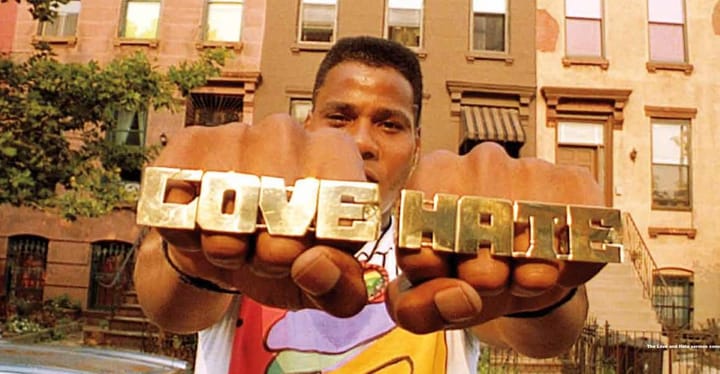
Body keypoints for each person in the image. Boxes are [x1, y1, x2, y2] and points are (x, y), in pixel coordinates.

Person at [134, 36, 605, 373]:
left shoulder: (448, 240)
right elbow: (169, 305)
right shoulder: (252, 212)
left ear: (417, 145)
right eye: (340, 118)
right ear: (308, 124)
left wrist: (542, 295)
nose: (361, 142)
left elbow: (542, 337)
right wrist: (193, 255)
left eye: (389, 125)